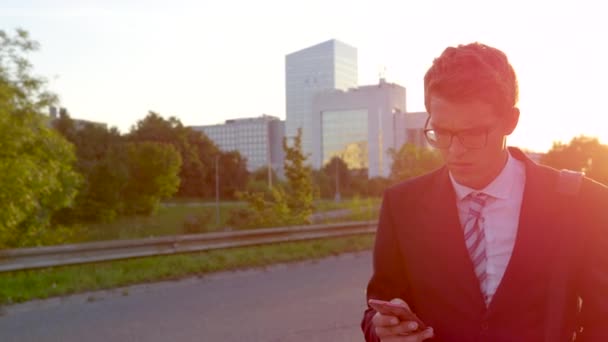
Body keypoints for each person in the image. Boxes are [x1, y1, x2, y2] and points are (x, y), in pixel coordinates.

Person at [361, 42, 608, 341]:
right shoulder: (402, 205)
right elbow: (378, 310)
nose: (455, 150)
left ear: (510, 121)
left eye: (473, 133)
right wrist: (381, 329)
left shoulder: (580, 202)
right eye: (441, 132)